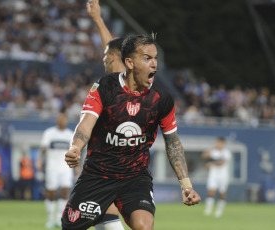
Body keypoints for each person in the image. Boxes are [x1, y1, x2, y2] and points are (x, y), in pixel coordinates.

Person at [62, 34, 201, 230]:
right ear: (129, 63)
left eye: (155, 58)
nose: (154, 64)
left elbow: (173, 142)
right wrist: (76, 147)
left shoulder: (162, 99)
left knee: (144, 227)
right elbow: (86, 124)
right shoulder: (105, 87)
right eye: (147, 58)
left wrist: (186, 185)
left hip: (135, 177)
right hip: (98, 175)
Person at [87, 1, 126, 229]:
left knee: (98, 211)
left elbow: (112, 51)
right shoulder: (116, 79)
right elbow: (111, 48)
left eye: (107, 55)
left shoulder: (120, 83)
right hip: (110, 160)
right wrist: (98, 20)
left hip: (114, 163)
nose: (104, 56)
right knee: (98, 214)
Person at [36, 109, 79, 229]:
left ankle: (60, 218)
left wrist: (77, 168)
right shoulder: (49, 133)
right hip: (52, 168)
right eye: (61, 118)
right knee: (52, 193)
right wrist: (39, 160)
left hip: (66, 168)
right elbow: (43, 148)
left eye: (65, 118)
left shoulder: (70, 134)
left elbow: (75, 152)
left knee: (65, 192)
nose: (63, 120)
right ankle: (50, 219)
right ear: (57, 120)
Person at [202, 137, 231, 218]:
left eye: (219, 143)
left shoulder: (226, 152)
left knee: (222, 193)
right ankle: (208, 210)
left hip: (223, 176)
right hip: (213, 175)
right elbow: (204, 155)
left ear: (223, 143)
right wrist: (212, 148)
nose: (217, 144)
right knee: (211, 191)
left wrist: (211, 164)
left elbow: (222, 162)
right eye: (217, 142)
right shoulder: (214, 151)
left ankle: (219, 210)